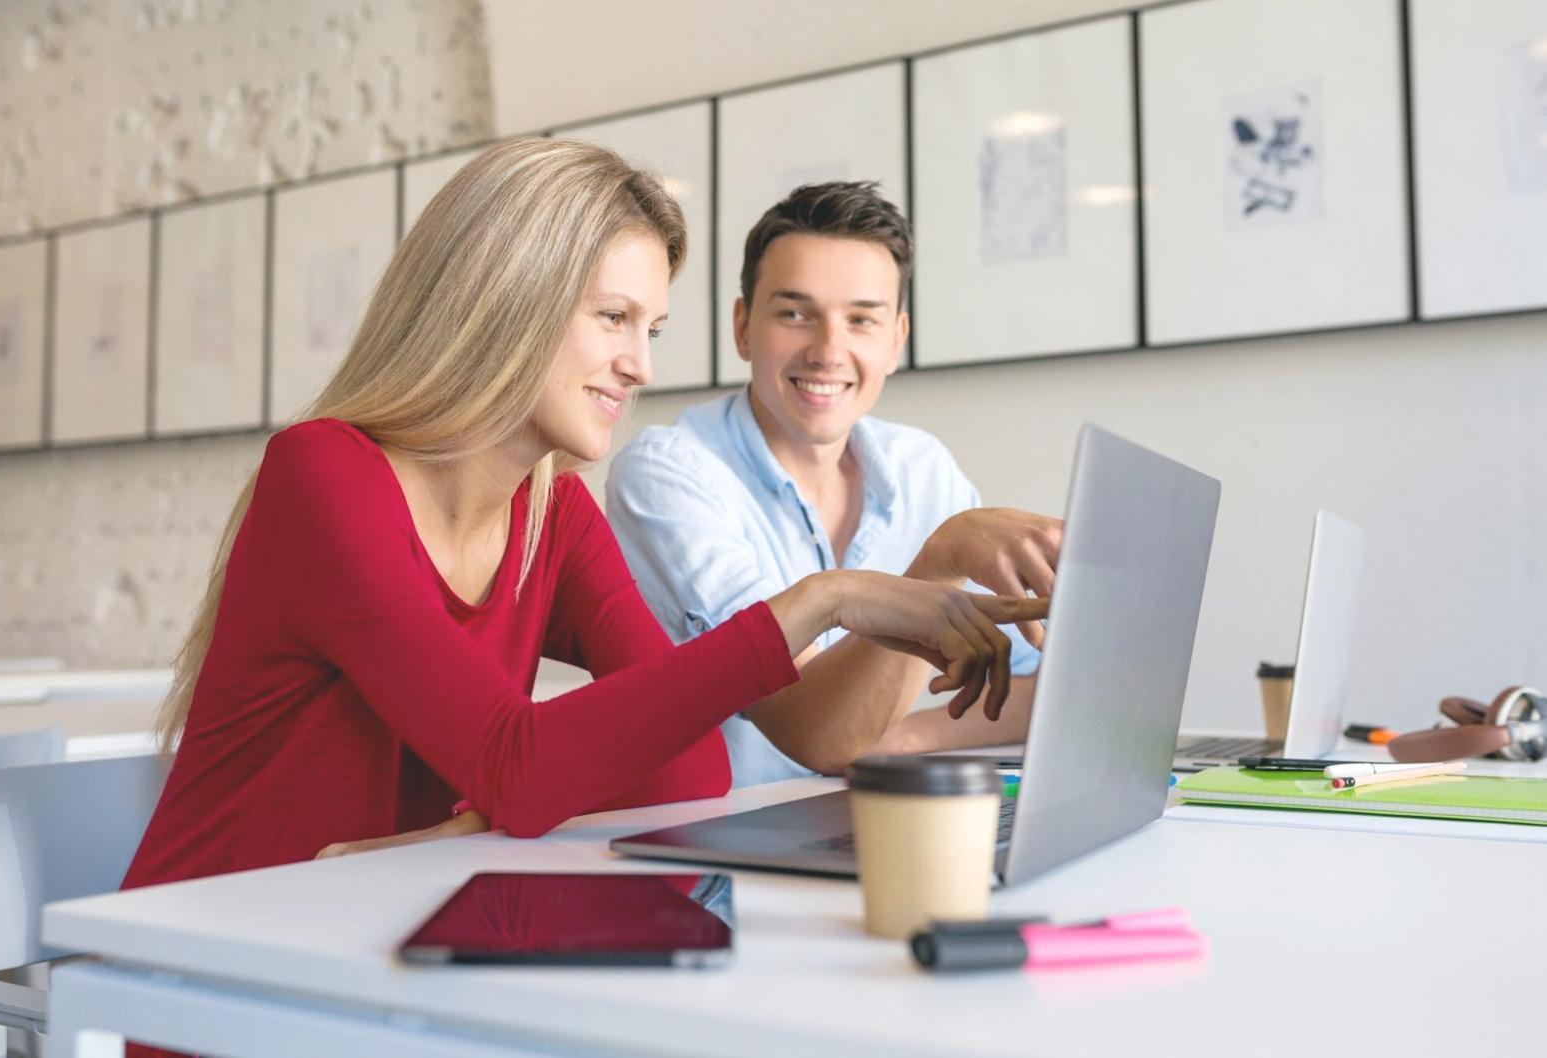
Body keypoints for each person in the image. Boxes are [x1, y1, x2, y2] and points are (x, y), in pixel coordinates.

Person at [121, 139, 1041, 893]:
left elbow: (692, 771)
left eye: (653, 329)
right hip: (212, 961)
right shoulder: (323, 474)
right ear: (506, 301)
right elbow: (519, 761)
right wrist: (826, 598)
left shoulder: (549, 512)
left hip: (383, 933)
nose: (639, 364)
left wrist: (480, 821)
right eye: (613, 318)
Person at [604, 181, 1063, 786]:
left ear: (896, 340)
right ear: (744, 328)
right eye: (795, 314)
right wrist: (940, 561)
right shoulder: (668, 475)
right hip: (725, 841)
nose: (828, 350)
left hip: (867, 821)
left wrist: (903, 739)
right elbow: (814, 733)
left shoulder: (924, 468)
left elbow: (1044, 686)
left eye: (861, 320)